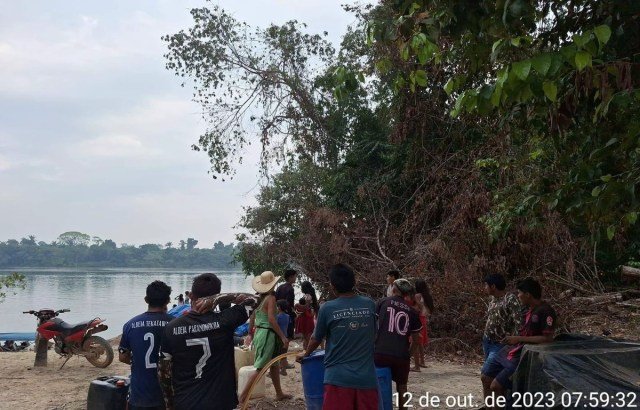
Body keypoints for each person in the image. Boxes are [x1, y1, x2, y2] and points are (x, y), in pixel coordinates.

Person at [158, 273, 252, 410]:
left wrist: (170, 404)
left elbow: (163, 373)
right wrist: (220, 298)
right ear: (216, 298)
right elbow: (256, 299)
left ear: (190, 296)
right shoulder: (225, 321)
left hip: (185, 401)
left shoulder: (171, 328)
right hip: (220, 402)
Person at [297, 263, 379, 410]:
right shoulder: (369, 304)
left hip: (337, 379)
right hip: (366, 378)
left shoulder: (327, 308)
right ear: (355, 282)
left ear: (332, 286)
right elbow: (373, 334)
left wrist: (306, 354)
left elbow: (316, 338)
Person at [481, 277, 557, 406]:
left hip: (526, 356)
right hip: (513, 349)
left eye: (519, 293)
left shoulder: (545, 311)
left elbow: (547, 339)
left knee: (496, 386)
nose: (518, 296)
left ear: (527, 294)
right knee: (486, 377)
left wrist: (518, 338)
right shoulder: (528, 309)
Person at [119, 281, 174, 410]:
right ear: (168, 301)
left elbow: (122, 357)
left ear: (146, 300)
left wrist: (138, 361)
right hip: (166, 394)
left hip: (139, 394)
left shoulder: (130, 325)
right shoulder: (175, 324)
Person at [240, 271, 292, 405]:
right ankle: (243, 397)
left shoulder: (257, 299)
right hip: (267, 334)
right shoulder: (271, 298)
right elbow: (271, 320)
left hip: (260, 333)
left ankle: (279, 393)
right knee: (260, 368)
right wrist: (283, 337)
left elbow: (252, 317)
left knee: (274, 364)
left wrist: (250, 333)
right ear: (272, 285)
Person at [374, 279, 422, 410]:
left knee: (379, 383)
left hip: (380, 352)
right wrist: (408, 355)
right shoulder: (412, 312)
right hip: (401, 355)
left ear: (394, 290)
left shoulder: (383, 302)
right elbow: (416, 340)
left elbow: (373, 327)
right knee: (402, 387)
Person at [479, 274, 521, 399]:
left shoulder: (510, 299)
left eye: (486, 285)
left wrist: (513, 342)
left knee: (486, 376)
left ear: (493, 286)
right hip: (488, 341)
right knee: (490, 378)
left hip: (500, 345)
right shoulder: (492, 299)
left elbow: (518, 322)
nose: (484, 288)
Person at [274, 269, 297, 368]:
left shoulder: (280, 287)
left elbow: (276, 301)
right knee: (287, 339)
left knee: (280, 339)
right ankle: (284, 363)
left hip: (278, 314)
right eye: (295, 276)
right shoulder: (290, 289)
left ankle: (279, 362)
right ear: (291, 277)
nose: (296, 278)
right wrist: (294, 314)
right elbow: (289, 305)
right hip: (287, 316)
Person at [411, 279, 434, 371]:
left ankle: (416, 366)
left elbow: (416, 308)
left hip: (418, 318)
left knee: (415, 341)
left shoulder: (417, 296)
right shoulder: (427, 296)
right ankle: (422, 361)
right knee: (420, 342)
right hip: (424, 319)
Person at [276, 299, 291, 376]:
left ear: (279, 307)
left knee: (277, 356)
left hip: (279, 338)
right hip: (286, 337)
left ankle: (276, 370)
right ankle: (283, 370)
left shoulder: (277, 317)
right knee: (284, 355)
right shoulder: (288, 316)